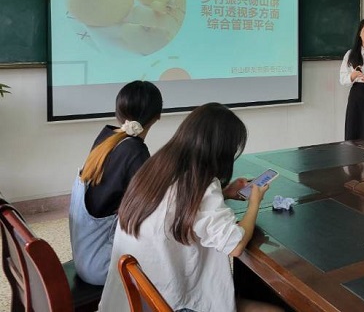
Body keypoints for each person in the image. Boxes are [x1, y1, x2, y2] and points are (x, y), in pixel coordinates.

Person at [98, 103, 282, 312]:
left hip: (132, 301)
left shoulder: (157, 165)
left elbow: (173, 205)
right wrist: (254, 203)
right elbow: (235, 245)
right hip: (170, 303)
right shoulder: (200, 182)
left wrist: (224, 193)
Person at [69, 80, 163, 286]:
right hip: (102, 264)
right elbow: (156, 207)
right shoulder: (135, 152)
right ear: (158, 116)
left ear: (118, 111)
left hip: (85, 255)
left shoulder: (107, 138)